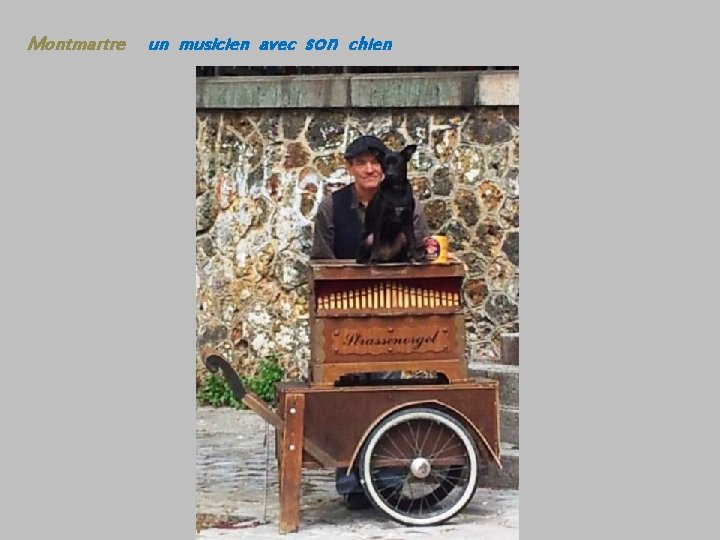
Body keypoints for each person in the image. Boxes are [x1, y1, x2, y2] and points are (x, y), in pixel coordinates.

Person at [310, 134, 430, 510]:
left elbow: (421, 247)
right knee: (345, 396)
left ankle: (390, 480)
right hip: (342, 314)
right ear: (350, 167)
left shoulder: (408, 202)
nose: (370, 168)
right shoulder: (332, 207)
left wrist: (426, 253)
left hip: (391, 312)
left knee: (388, 393)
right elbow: (320, 261)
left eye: (376, 162)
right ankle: (351, 484)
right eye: (361, 162)